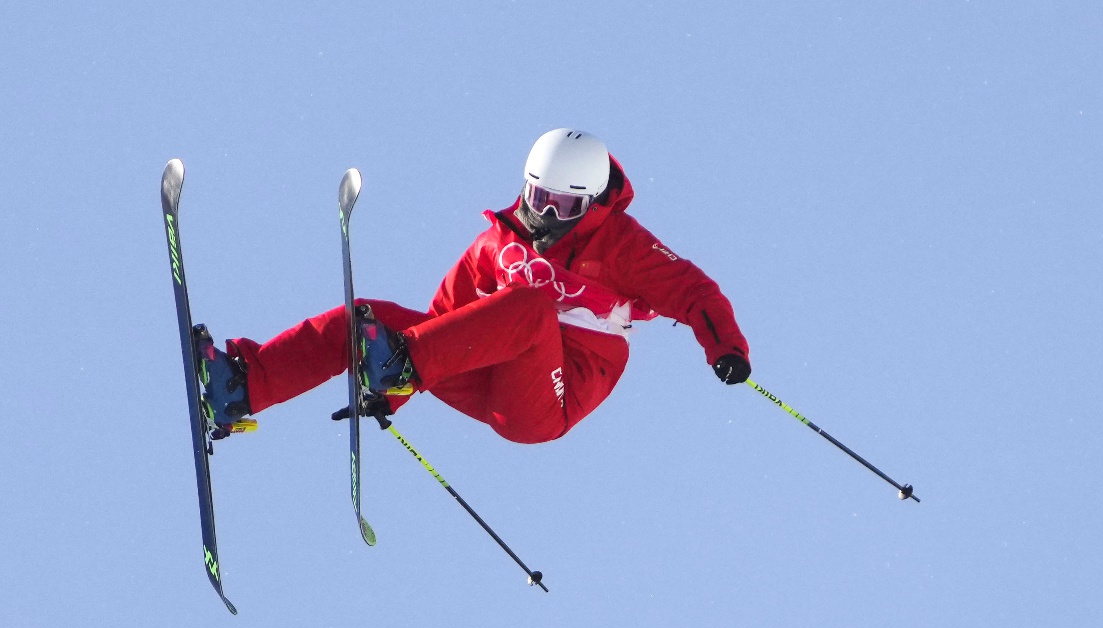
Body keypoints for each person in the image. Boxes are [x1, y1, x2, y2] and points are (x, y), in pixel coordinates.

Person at [196, 128, 751, 446]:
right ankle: (240, 390)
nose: (547, 217)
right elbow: (443, 322)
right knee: (366, 317)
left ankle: (400, 367)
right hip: (483, 375)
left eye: (565, 208)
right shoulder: (497, 244)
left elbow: (694, 292)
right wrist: (392, 381)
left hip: (550, 395)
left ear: (591, 203)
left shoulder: (623, 244)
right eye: (539, 199)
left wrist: (725, 348)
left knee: (532, 306)